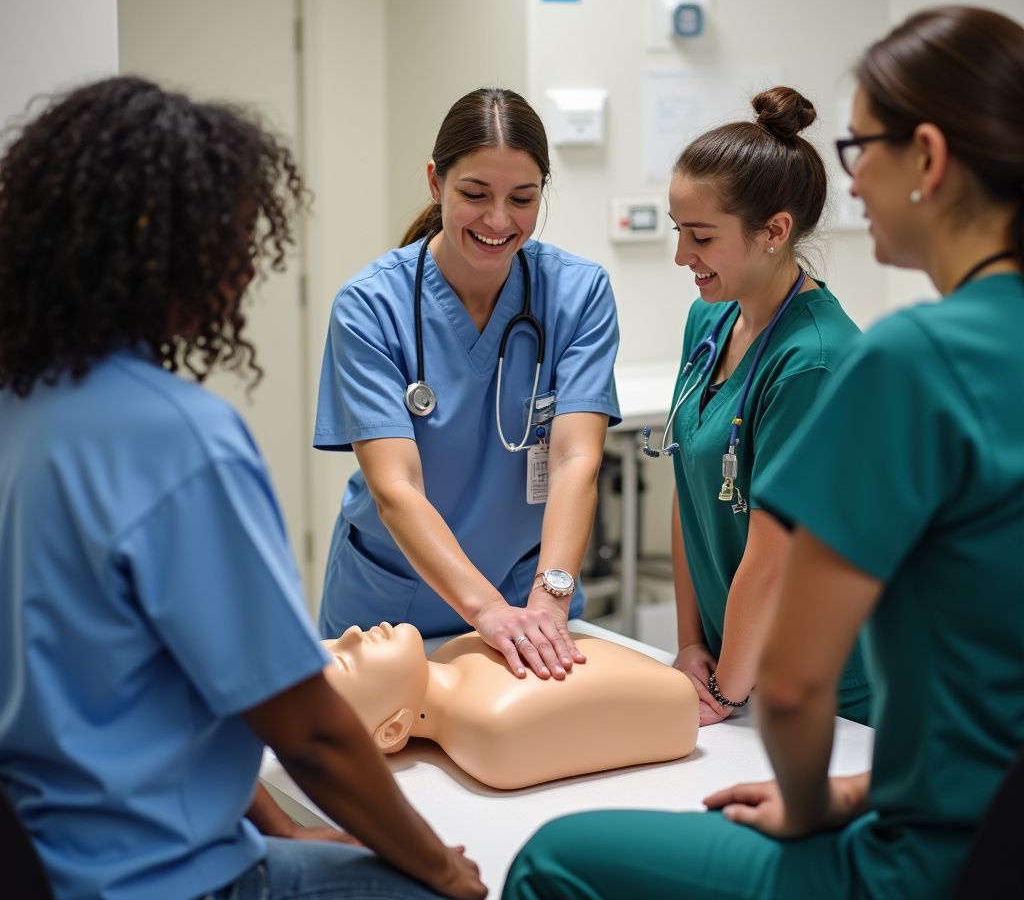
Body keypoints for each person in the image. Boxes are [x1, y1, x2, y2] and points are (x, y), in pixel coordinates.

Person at [501, 4, 1024, 899]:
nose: (850, 187)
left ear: (928, 159)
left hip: (929, 859)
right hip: (974, 815)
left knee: (551, 858)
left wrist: (816, 798)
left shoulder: (899, 358)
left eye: (861, 152)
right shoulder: (924, 354)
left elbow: (790, 683)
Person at [0, 76, 485, 900]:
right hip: (170, 879)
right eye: (232, 238)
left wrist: (284, 827)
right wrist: (440, 868)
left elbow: (179, 682)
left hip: (43, 861)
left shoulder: (22, 407)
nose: (244, 265)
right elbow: (308, 729)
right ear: (166, 247)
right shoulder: (178, 439)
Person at [314, 88, 620, 681]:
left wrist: (550, 598)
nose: (499, 220)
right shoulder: (371, 307)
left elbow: (575, 459)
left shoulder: (578, 295)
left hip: (532, 598)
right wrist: (486, 612)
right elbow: (395, 486)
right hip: (393, 612)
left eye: (522, 199)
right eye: (475, 195)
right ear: (436, 182)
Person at [641, 86, 871, 726]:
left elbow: (775, 559)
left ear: (775, 231)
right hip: (728, 667)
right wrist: (691, 645)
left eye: (702, 236)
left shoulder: (815, 361)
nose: (682, 255)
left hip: (816, 697)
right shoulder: (708, 321)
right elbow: (689, 488)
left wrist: (728, 693)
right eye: (678, 231)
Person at [320, 622, 697, 790]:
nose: (352, 634)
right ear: (392, 730)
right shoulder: (492, 723)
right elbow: (676, 697)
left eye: (335, 641)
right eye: (344, 660)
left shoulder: (456, 651)